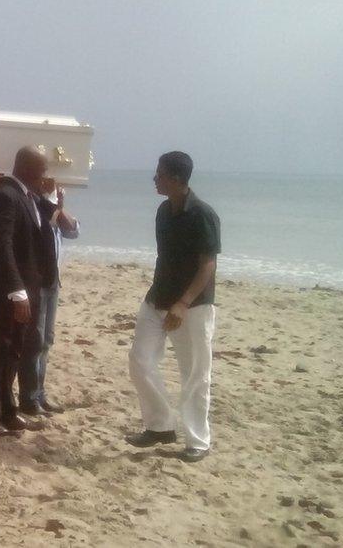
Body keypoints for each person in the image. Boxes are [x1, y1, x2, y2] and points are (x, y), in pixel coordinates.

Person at [125, 151, 221, 463]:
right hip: (157, 300)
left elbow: (207, 265)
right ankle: (160, 426)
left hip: (192, 307)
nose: (155, 178)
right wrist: (161, 297)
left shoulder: (203, 215)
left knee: (194, 373)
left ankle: (198, 440)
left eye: (160, 174)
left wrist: (183, 303)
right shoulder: (163, 211)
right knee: (140, 360)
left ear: (176, 179)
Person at [0, 146, 47, 437]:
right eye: (42, 172)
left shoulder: (27, 196)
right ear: (27, 169)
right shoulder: (4, 195)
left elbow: (34, 237)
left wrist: (52, 200)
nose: (45, 177)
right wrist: (17, 290)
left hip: (23, 288)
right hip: (2, 289)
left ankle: (6, 409)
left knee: (14, 351)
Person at [18, 181, 80, 416]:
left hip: (53, 283)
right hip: (37, 284)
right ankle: (29, 397)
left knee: (46, 341)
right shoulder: (34, 207)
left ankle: (39, 394)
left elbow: (74, 230)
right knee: (34, 341)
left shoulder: (53, 212)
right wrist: (50, 206)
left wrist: (59, 207)